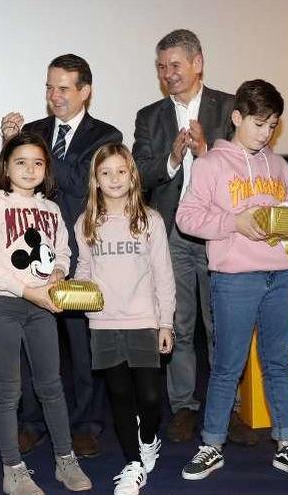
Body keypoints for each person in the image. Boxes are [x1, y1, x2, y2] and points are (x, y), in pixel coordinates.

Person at [175, 79, 288, 481]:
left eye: (272, 125)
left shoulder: (279, 165)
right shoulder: (211, 164)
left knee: (278, 363)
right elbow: (186, 218)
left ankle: (286, 443)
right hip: (236, 279)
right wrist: (233, 222)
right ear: (236, 117)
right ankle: (211, 445)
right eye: (259, 123)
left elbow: (287, 213)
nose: (265, 132)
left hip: (285, 275)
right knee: (227, 366)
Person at [133, 28, 256, 446]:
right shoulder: (150, 117)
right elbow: (139, 173)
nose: (168, 74)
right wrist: (172, 156)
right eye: (161, 67)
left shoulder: (229, 109)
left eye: (176, 65)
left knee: (222, 326)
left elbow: (247, 169)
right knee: (179, 326)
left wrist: (205, 154)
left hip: (223, 234)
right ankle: (184, 407)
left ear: (198, 62)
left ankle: (230, 408)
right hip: (172, 236)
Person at [0, 54, 122, 457]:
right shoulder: (33, 131)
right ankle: (31, 421)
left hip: (84, 253)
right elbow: (11, 182)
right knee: (32, 341)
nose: (54, 96)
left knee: (84, 343)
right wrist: (11, 149)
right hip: (32, 251)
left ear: (85, 91)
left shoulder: (106, 136)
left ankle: (86, 423)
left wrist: (33, 155)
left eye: (63, 88)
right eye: (49, 87)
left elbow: (78, 180)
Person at [0, 132, 92, 495]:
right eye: (20, 162)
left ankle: (65, 458)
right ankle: (13, 469)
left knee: (52, 386)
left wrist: (58, 272)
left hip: (42, 308)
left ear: (47, 169)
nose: (29, 169)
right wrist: (30, 291)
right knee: (9, 391)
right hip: (3, 307)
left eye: (37, 163)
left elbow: (63, 252)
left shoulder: (51, 210)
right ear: (6, 166)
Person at [74, 143, 175, 495]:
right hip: (104, 323)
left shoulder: (151, 220)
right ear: (96, 181)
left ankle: (147, 438)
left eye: (120, 171)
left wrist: (166, 323)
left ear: (132, 175)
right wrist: (74, 288)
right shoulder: (86, 222)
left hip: (144, 321)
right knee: (119, 395)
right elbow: (84, 269)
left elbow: (163, 274)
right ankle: (133, 464)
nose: (114, 179)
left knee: (148, 397)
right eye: (105, 173)